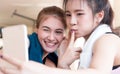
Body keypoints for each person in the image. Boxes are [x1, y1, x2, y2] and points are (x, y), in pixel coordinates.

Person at [1, 0, 120, 74]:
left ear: (99, 16)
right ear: (37, 29)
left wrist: (40, 71)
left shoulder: (107, 39)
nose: (72, 21)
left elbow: (99, 72)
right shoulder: (89, 46)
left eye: (79, 14)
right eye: (68, 14)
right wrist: (63, 64)